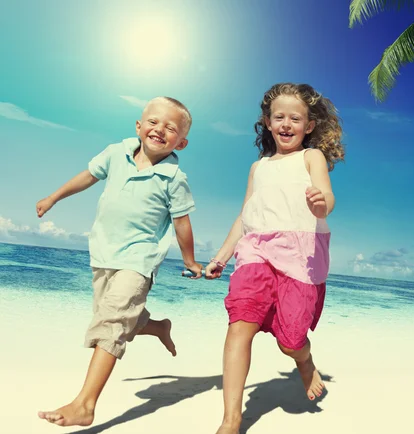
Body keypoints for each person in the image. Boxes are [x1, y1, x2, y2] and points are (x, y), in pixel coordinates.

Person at [36, 96, 204, 427]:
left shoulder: (173, 178)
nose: (159, 130)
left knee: (111, 323)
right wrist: (54, 196)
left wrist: (191, 260)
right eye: (153, 122)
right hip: (102, 252)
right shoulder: (116, 153)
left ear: (181, 142)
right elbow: (88, 176)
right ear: (139, 126)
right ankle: (156, 327)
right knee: (114, 314)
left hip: (139, 259)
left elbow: (182, 223)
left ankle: (85, 404)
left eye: (170, 128)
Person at [205, 83, 345, 434]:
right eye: (278, 117)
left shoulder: (310, 157)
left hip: (300, 252)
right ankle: (231, 420)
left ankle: (304, 360)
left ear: (309, 126)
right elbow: (245, 215)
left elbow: (327, 196)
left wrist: (320, 204)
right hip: (255, 249)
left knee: (290, 340)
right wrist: (222, 257)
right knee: (240, 323)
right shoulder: (258, 168)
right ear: (267, 122)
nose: (286, 123)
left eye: (295, 118)